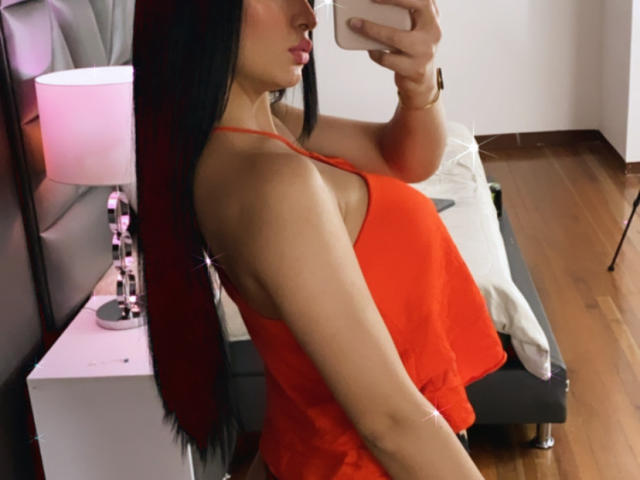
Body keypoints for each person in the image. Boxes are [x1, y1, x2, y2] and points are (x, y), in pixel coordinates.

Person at [132, 0, 507, 478]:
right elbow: (389, 422)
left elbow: (405, 159)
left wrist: (419, 80)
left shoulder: (265, 128)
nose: (308, 16)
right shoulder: (272, 185)